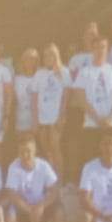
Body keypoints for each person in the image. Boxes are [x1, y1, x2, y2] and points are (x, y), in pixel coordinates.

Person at [2, 134, 64, 222]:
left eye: (28, 151)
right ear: (18, 152)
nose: (25, 155)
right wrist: (30, 210)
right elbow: (12, 194)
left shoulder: (43, 165)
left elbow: (54, 190)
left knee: (59, 210)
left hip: (41, 206)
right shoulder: (14, 167)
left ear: (35, 151)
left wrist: (41, 206)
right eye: (22, 152)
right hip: (22, 208)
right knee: (10, 214)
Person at [70, 30, 112, 182]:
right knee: (92, 161)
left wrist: (111, 117)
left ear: (107, 49)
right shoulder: (84, 72)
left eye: (103, 47)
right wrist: (97, 118)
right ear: (92, 49)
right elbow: (80, 98)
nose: (100, 50)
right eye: (97, 47)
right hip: (92, 125)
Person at [33, 42, 68, 177]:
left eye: (51, 55)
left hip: (56, 118)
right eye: (46, 55)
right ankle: (50, 179)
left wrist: (61, 116)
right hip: (42, 118)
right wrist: (35, 119)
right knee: (46, 150)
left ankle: (60, 179)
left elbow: (66, 96)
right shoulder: (39, 73)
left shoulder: (63, 72)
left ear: (56, 56)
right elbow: (35, 98)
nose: (48, 57)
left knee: (55, 148)